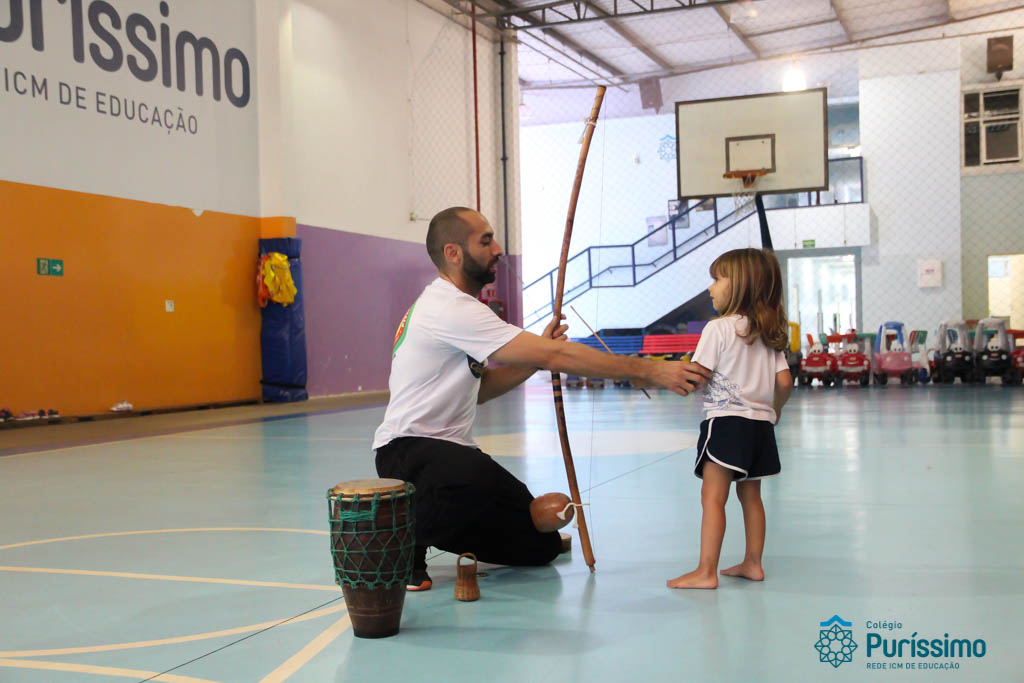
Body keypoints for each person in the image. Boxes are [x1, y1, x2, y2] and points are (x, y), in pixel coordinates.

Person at [373, 206, 711, 591]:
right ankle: (403, 540)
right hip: (411, 453)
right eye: (486, 241)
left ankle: (431, 521)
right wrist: (649, 371)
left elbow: (482, 389)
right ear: (453, 253)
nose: (498, 249)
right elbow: (557, 355)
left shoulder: (452, 306)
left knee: (540, 544)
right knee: (472, 481)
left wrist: (538, 358)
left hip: (447, 455)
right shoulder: (449, 308)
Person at [666, 248, 793, 590]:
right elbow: (784, 382)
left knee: (712, 497)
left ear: (740, 284)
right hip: (760, 427)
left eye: (717, 279)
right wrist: (775, 409)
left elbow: (698, 375)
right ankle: (753, 563)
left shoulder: (718, 329)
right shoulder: (768, 333)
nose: (711, 288)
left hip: (725, 424)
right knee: (751, 497)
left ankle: (706, 571)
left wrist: (665, 379)